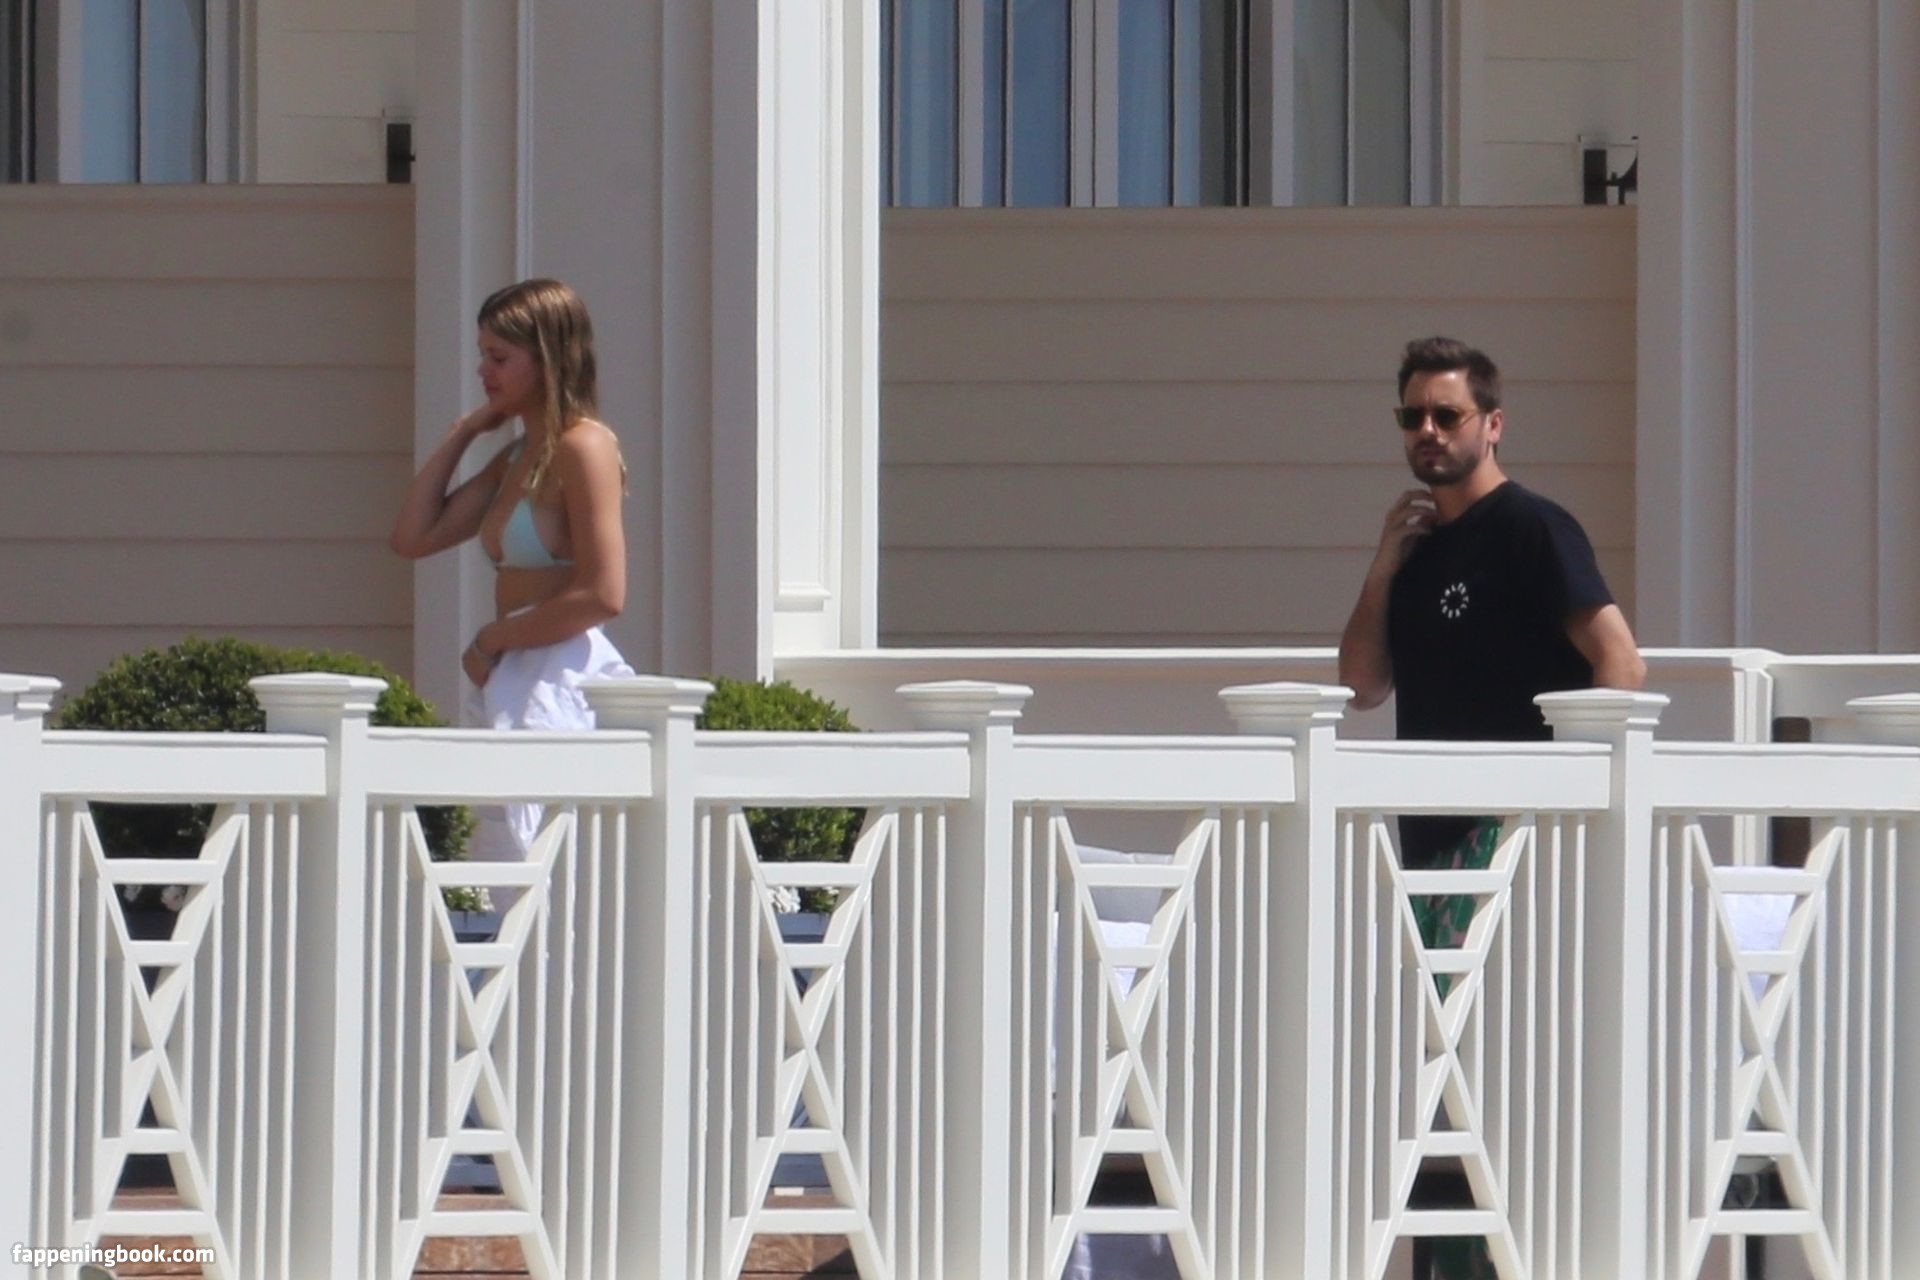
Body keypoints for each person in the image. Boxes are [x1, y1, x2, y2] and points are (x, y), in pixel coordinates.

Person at [1336, 335, 1645, 1280]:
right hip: (1425, 851)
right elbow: (1361, 685)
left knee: (1490, 1080)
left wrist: (1553, 806)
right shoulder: (1416, 552)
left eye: (1448, 414)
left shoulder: (1533, 530)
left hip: (1504, 849)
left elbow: (1622, 664)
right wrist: (1383, 566)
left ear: (1493, 424)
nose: (1427, 431)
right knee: (1434, 1082)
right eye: (1412, 417)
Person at [389, 278, 633, 869]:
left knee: (543, 858)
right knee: (500, 853)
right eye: (483, 355)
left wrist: (493, 638)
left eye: (499, 357)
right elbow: (414, 537)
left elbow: (605, 593)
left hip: (560, 671)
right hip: (512, 674)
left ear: (546, 357)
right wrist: (464, 433)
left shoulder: (584, 447)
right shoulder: (520, 455)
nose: (484, 371)